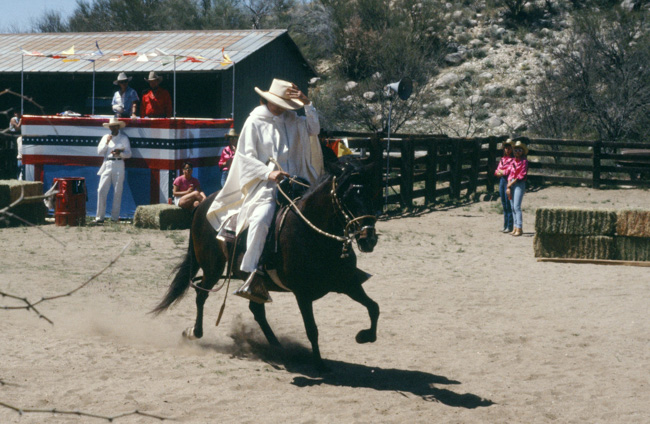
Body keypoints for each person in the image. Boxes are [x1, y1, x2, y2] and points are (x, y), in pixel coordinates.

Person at [206, 78, 324, 303]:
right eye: (278, 103)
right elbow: (245, 156)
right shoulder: (254, 122)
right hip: (267, 183)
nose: (281, 108)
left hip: (297, 182)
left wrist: (307, 104)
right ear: (267, 100)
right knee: (261, 218)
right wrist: (267, 173)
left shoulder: (294, 120)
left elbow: (314, 129)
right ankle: (251, 273)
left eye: (285, 104)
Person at [96, 117, 132, 223]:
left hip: (119, 163)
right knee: (101, 190)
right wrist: (107, 142)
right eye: (111, 126)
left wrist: (120, 153)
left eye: (114, 126)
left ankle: (114, 218)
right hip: (107, 163)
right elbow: (99, 152)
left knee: (117, 191)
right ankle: (99, 217)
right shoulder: (105, 137)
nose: (112, 128)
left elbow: (129, 154)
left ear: (118, 127)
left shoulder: (124, 138)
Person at [506, 139, 529, 237]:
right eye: (515, 150)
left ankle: (519, 227)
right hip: (511, 184)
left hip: (519, 184)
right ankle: (515, 227)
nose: (517, 152)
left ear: (523, 151)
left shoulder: (524, 162)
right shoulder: (512, 162)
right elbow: (510, 174)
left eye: (519, 150)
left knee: (517, 206)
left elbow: (521, 175)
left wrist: (510, 184)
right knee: (512, 206)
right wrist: (508, 185)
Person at [494, 139, 514, 233]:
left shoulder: (513, 160)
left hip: (508, 180)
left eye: (509, 148)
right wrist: (500, 172)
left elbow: (508, 171)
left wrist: (501, 172)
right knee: (504, 203)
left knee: (508, 203)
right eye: (506, 148)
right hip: (502, 180)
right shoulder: (502, 159)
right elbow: (497, 170)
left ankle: (510, 226)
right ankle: (505, 225)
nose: (508, 150)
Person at [10, 112, 23, 180]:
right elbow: (17, 128)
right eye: (17, 113)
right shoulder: (13, 119)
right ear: (15, 114)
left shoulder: (20, 119)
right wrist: (20, 122)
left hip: (18, 137)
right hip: (12, 138)